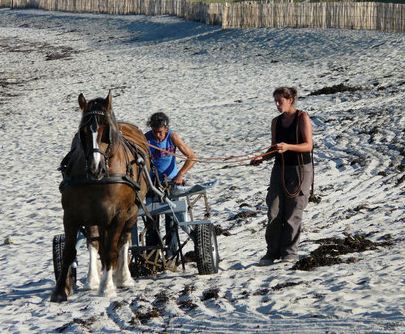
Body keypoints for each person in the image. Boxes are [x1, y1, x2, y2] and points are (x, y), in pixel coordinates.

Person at [251, 87, 313, 266]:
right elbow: (274, 148)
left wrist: (288, 147)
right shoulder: (275, 122)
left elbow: (308, 145)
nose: (277, 105)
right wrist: (262, 158)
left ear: (290, 99)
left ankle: (290, 253)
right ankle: (272, 252)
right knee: (274, 210)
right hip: (279, 168)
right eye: (275, 101)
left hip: (300, 168)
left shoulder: (302, 117)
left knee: (293, 211)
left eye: (281, 101)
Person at [144, 112, 197, 258]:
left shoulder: (172, 137)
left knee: (172, 220)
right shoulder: (146, 139)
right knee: (151, 221)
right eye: (155, 132)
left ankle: (172, 254)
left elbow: (192, 157)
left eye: (160, 132)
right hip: (152, 183)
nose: (158, 136)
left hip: (171, 183)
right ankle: (152, 255)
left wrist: (180, 175)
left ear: (166, 129)